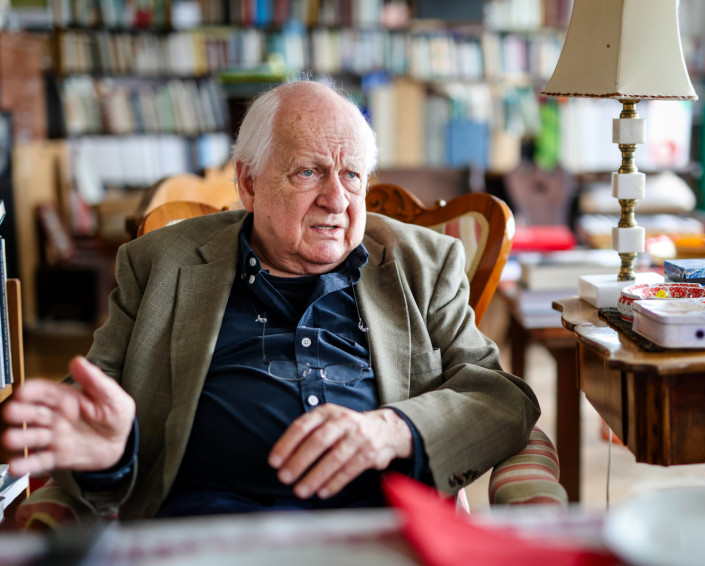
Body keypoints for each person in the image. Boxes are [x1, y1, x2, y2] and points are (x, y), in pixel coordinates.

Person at [1, 80, 540, 522]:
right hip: (208, 536)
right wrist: (110, 458)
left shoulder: (422, 264)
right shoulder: (160, 264)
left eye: (352, 175)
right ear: (249, 183)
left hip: (376, 532)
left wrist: (394, 428)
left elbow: (501, 398)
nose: (337, 199)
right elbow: (90, 411)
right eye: (309, 171)